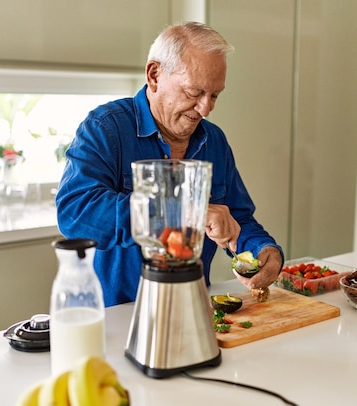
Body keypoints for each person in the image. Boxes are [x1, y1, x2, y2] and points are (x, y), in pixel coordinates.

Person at [56, 21, 283, 306]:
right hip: (116, 315)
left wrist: (264, 250)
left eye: (215, 95)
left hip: (193, 307)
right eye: (193, 93)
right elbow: (76, 214)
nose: (206, 108)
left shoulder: (215, 141)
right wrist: (185, 215)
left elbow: (237, 219)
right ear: (154, 75)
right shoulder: (106, 127)